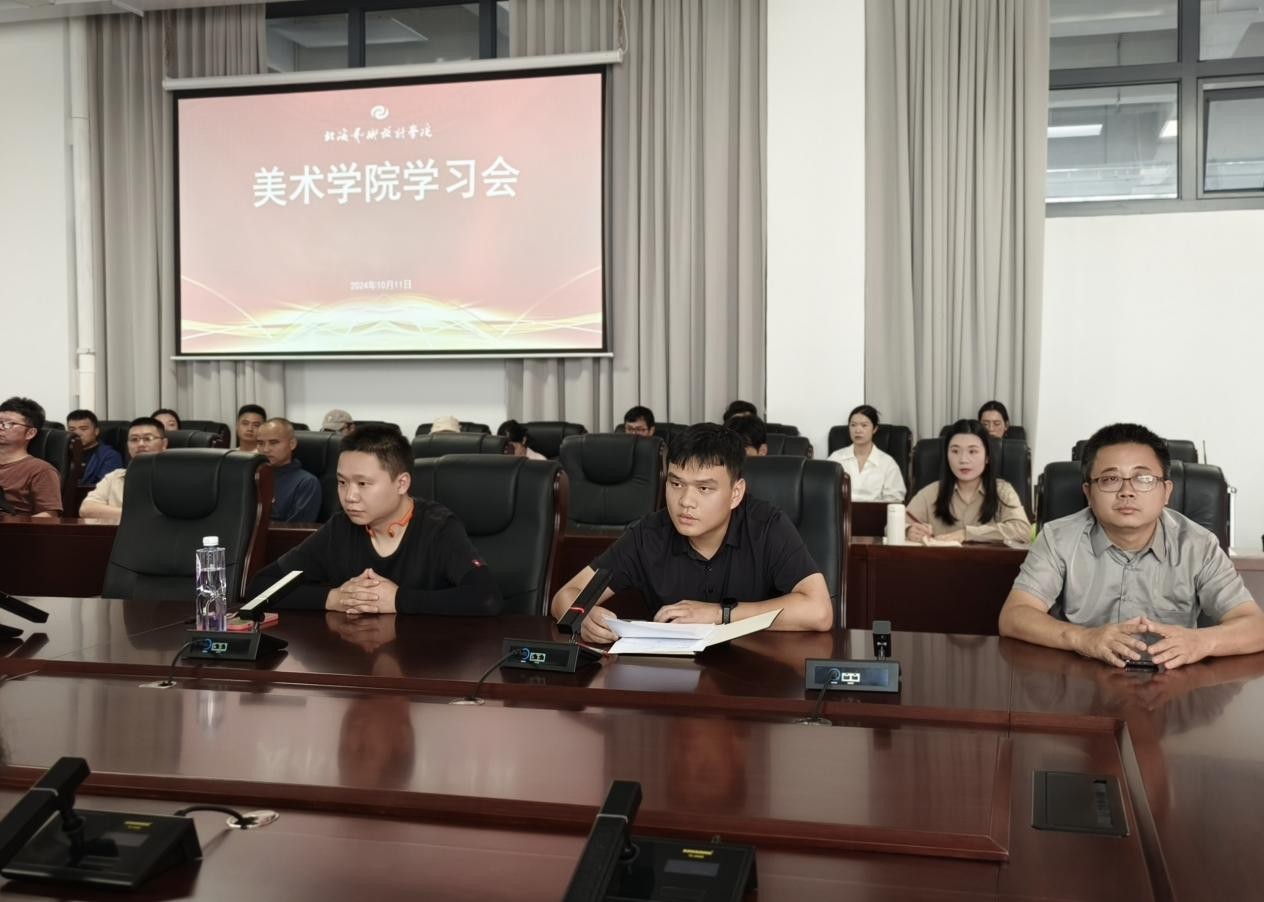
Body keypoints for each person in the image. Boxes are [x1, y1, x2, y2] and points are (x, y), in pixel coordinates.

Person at [999, 422, 1264, 670]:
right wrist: (1084, 638)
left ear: (1166, 491)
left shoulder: (1198, 545)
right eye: (1110, 479)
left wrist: (1201, 642)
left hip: (1171, 684)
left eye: (1143, 479)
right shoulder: (1057, 538)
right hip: (1082, 677)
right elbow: (1014, 616)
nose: (1127, 491)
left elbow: (1255, 626)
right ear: (1089, 493)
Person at [550, 423, 833, 644]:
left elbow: (819, 611)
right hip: (672, 681)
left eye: (704, 488)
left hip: (756, 676)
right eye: (676, 484)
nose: (685, 501)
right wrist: (584, 616)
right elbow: (566, 595)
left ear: (736, 493)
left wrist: (720, 615)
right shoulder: (648, 534)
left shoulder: (767, 526)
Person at [246, 425, 502, 615]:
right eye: (342, 482)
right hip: (355, 659)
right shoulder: (340, 527)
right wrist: (334, 598)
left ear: (401, 483)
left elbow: (486, 598)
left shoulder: (438, 526)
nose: (349, 496)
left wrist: (398, 600)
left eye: (363, 484)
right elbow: (261, 586)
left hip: (427, 659)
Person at [905, 419, 1029, 544]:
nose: (963, 460)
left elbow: (1023, 531)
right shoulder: (930, 493)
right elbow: (898, 524)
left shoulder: (1003, 491)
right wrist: (908, 530)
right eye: (955, 451)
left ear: (987, 457)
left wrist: (967, 534)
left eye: (972, 451)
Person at [79, 417, 168, 520]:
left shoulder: (176, 477)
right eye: (134, 439)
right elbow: (86, 509)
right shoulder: (114, 477)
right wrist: (136, 516)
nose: (140, 444)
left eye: (148, 438)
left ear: (164, 444)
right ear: (128, 446)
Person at [827, 404, 906, 503]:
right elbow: (825, 490)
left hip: (875, 512)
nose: (857, 430)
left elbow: (894, 500)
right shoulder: (836, 458)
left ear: (874, 429)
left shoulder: (887, 463)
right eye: (853, 425)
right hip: (842, 512)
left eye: (864, 425)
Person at [0, 397, 61, 517]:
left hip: (14, 526)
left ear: (30, 433)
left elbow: (49, 515)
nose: (1, 427)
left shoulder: (41, 470)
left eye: (9, 424)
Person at [256, 418, 322, 523]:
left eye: (273, 442)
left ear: (292, 444)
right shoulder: (252, 476)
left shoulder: (306, 482)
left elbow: (296, 528)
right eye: (260, 443)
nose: (266, 449)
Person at [66, 409, 123, 487]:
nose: (77, 433)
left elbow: (104, 488)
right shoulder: (63, 453)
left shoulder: (110, 456)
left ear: (96, 431)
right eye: (72, 429)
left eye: (83, 429)